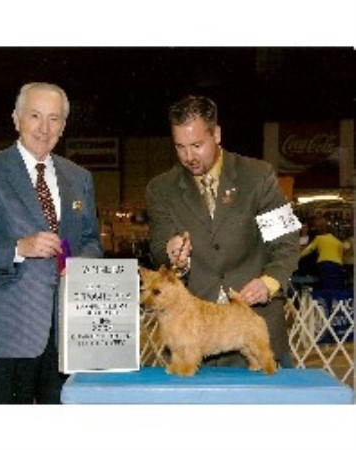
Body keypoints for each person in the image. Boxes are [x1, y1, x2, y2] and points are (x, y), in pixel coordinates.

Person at [0, 82, 103, 404]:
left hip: (69, 335)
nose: (44, 128)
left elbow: (91, 240)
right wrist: (19, 247)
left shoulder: (80, 177)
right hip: (9, 335)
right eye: (35, 116)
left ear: (63, 126)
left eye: (54, 118)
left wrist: (79, 265)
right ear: (16, 119)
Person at [145, 95, 300, 369]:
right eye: (180, 147)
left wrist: (270, 282)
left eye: (197, 145)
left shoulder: (259, 175)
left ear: (216, 134)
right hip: (191, 339)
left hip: (253, 323)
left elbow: (286, 241)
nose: (189, 156)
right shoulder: (160, 189)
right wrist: (171, 252)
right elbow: (158, 246)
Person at [300, 217, 344, 290]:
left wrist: (298, 255)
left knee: (327, 285)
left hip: (325, 264)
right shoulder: (338, 242)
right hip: (338, 265)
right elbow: (341, 255)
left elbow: (308, 250)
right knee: (336, 285)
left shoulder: (319, 238)